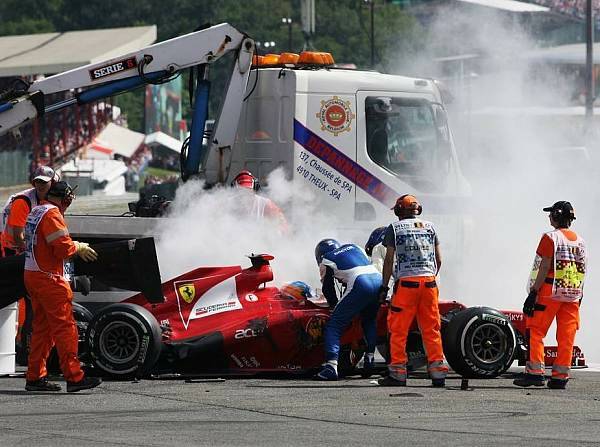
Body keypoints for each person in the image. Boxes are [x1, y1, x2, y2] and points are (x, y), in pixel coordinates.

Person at [23, 181, 102, 392]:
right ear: (63, 198)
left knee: (42, 329)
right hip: (49, 279)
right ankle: (75, 377)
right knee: (66, 329)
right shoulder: (52, 215)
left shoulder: (36, 211)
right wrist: (78, 246)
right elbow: (63, 250)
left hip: (32, 275)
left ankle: (35, 377)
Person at [514, 201, 585, 390]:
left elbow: (544, 266)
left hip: (549, 290)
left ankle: (535, 373)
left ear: (557, 215)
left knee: (535, 330)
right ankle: (560, 376)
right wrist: (580, 295)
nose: (549, 217)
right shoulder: (579, 240)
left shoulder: (550, 238)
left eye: (551, 213)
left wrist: (534, 292)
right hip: (572, 293)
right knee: (566, 336)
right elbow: (581, 269)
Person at [378, 194, 448, 387]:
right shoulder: (431, 227)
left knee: (398, 329)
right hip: (429, 284)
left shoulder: (394, 228)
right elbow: (439, 259)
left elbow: (389, 260)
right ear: (418, 210)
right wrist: (429, 277)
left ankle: (398, 374)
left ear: (400, 211)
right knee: (432, 329)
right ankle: (438, 373)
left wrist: (384, 287)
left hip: (406, 286)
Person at [0, 165, 57, 363]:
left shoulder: (48, 200)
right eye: (38, 181)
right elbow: (17, 235)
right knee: (20, 300)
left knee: (29, 301)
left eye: (44, 182)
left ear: (53, 182)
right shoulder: (24, 201)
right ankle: (20, 345)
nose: (40, 185)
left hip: (21, 253)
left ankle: (24, 346)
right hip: (9, 252)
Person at [313, 238, 382, 381]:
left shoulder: (327, 259)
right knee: (369, 320)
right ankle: (369, 360)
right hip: (378, 280)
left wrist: (334, 306)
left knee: (334, 325)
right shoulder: (355, 246)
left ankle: (331, 367)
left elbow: (328, 288)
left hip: (360, 283)